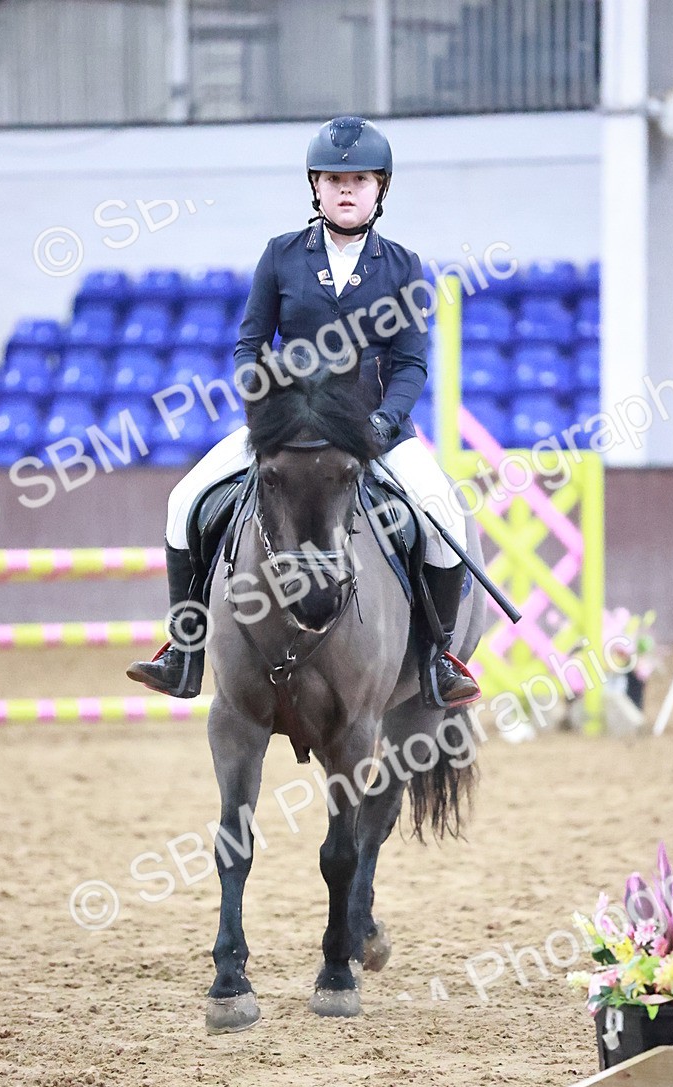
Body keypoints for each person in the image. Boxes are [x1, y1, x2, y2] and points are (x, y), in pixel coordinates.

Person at [127, 115, 476, 706]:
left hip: (374, 430)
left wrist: (383, 423)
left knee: (444, 513)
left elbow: (412, 363)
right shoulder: (281, 256)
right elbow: (248, 345)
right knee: (183, 499)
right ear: (315, 186)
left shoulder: (401, 265)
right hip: (289, 428)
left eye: (360, 179)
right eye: (334, 178)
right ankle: (184, 650)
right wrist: (268, 409)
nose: (346, 188)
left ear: (380, 189)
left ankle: (437, 656)